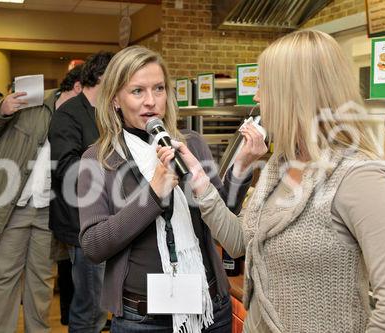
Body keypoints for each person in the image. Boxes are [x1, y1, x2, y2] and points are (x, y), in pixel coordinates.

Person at [160, 30, 385, 332]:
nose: (257, 96)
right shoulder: (281, 163)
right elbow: (238, 242)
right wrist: (199, 181)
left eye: (264, 86)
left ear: (296, 94)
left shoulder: (357, 175)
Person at [76, 46, 253, 333]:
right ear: (115, 100)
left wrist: (241, 168)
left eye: (159, 89)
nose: (151, 101)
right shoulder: (97, 160)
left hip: (210, 310)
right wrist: (152, 195)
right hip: (143, 320)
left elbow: (224, 214)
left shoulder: (191, 143)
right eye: (137, 91)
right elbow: (94, 246)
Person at [0, 85, 58, 333]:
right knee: (3, 279)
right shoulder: (32, 103)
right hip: (10, 207)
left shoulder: (84, 111)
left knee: (41, 282)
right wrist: (2, 109)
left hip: (49, 209)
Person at [49, 51, 114, 333]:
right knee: (88, 308)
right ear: (102, 77)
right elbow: (66, 169)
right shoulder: (69, 114)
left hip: (102, 219)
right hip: (81, 223)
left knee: (98, 304)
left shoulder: (103, 111)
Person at [51, 64, 84, 326]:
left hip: (73, 214)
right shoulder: (68, 115)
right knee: (85, 303)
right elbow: (66, 168)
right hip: (69, 215)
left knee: (85, 295)